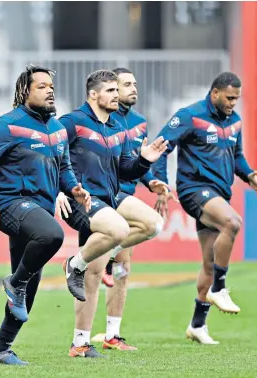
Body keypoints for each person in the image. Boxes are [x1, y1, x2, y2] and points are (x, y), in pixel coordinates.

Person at [0, 65, 91, 365]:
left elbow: (64, 168)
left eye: (52, 86)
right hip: (11, 204)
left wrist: (74, 188)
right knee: (52, 235)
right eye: (42, 86)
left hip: (39, 210)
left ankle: (0, 350)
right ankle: (15, 282)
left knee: (30, 289)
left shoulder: (58, 128)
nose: (50, 90)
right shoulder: (6, 125)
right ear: (25, 91)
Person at [57, 69, 167, 357]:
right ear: (93, 94)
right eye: (112, 90)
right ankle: (73, 266)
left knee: (100, 271)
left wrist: (144, 161)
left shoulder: (117, 128)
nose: (117, 94)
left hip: (108, 201)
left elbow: (126, 169)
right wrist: (58, 190)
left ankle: (89, 340)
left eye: (118, 90)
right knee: (108, 248)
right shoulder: (72, 122)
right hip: (83, 202)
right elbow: (50, 156)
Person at [152, 71, 257, 344]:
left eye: (237, 98)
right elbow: (161, 146)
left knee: (209, 262)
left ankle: (197, 326)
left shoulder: (235, 122)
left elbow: (236, 158)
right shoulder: (190, 116)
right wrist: (161, 183)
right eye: (229, 97)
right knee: (232, 223)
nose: (233, 103)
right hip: (193, 189)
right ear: (215, 93)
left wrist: (250, 176)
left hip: (218, 194)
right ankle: (220, 289)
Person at [93, 67, 172, 352]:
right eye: (126, 84)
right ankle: (80, 337)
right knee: (153, 225)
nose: (133, 89)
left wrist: (152, 181)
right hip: (108, 197)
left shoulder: (139, 123)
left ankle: (112, 335)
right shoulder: (103, 120)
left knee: (122, 271)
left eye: (134, 84)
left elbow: (133, 164)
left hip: (127, 194)